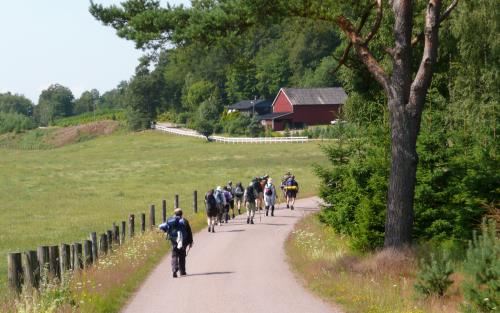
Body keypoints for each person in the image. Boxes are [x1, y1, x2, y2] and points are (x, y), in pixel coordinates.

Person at [159, 208, 193, 278]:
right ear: (182, 214)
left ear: (174, 214)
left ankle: (174, 269)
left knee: (174, 255)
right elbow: (189, 232)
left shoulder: (170, 221)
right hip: (183, 241)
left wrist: (166, 233)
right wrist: (191, 241)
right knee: (182, 256)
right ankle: (182, 271)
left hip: (173, 241)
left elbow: (163, 227)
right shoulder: (184, 221)